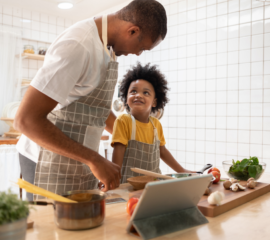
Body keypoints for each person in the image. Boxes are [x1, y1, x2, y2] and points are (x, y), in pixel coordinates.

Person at [14, 0, 167, 201]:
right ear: (132, 31)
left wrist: (135, 135)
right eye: (142, 48)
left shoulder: (108, 48)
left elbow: (95, 109)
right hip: (46, 161)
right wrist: (94, 159)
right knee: (51, 230)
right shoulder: (78, 45)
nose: (137, 54)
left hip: (79, 161)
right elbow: (25, 120)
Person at [111, 63, 194, 183]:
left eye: (145, 93)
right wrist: (113, 180)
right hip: (128, 186)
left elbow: (163, 151)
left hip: (153, 185)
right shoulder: (123, 121)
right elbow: (117, 155)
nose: (138, 95)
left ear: (154, 102)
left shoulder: (156, 124)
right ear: (126, 97)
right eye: (133, 91)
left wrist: (182, 171)